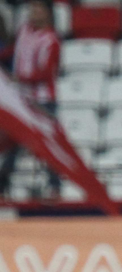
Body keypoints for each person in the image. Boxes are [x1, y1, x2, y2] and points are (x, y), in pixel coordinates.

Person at [0, 0, 60, 198]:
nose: (33, 12)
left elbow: (46, 73)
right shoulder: (24, 30)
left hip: (43, 101)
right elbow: (14, 51)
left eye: (37, 9)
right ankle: (3, 185)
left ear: (47, 13)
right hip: (23, 99)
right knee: (13, 143)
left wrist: (20, 78)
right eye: (31, 8)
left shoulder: (51, 40)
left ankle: (54, 186)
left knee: (45, 145)